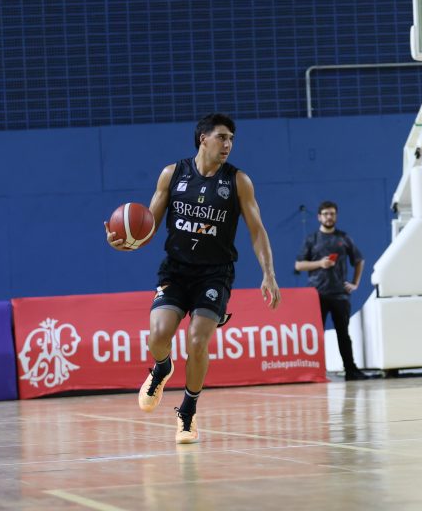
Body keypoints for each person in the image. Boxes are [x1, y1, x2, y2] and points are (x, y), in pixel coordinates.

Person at [104, 113, 281, 444]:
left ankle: (187, 410)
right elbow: (148, 226)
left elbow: (257, 230)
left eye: (231, 139)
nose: (228, 144)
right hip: (176, 270)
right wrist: (127, 242)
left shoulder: (238, 181)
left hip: (215, 274)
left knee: (197, 341)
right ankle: (161, 367)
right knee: (158, 336)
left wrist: (268, 273)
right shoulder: (172, 174)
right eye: (222, 137)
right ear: (203, 138)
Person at [295, 201, 368, 381]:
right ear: (319, 217)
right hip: (316, 295)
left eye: (332, 214)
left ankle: (351, 370)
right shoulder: (312, 239)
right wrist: (320, 263)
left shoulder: (344, 238)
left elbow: (359, 260)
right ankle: (316, 371)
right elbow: (299, 265)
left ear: (336, 216)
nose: (329, 217)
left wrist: (355, 283)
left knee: (343, 334)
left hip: (339, 295)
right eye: (326, 214)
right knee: (316, 335)